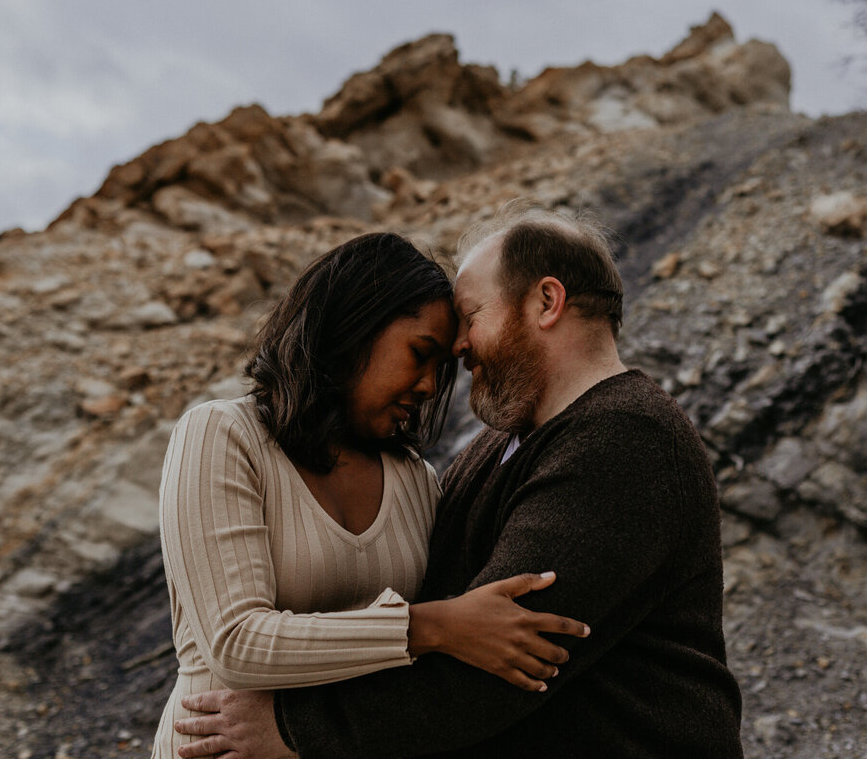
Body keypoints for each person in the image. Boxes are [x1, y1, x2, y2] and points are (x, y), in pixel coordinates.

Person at [173, 202, 744, 758]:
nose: (460, 347)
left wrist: (293, 728)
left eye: (471, 318)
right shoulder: (492, 450)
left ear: (546, 301)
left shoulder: (625, 436)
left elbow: (500, 662)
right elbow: (459, 629)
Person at [151, 231, 589, 759]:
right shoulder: (221, 435)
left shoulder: (415, 481)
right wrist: (435, 627)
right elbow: (236, 645)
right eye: (419, 353)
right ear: (352, 327)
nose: (429, 387)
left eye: (441, 370)